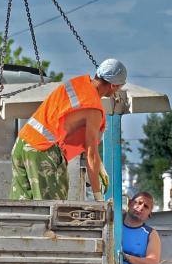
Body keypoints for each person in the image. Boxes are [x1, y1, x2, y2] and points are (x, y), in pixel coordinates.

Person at [10, 58, 127, 200]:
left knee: (20, 210)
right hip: (42, 151)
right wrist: (98, 196)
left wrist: (99, 165)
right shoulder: (94, 108)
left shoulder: (76, 84)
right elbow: (91, 154)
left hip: (21, 144)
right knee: (51, 210)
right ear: (114, 86)